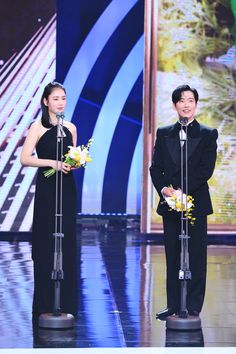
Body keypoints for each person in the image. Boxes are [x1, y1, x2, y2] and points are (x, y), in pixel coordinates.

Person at [150, 84, 218, 320]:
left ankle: (193, 306)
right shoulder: (164, 132)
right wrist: (164, 190)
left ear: (196, 105)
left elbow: (205, 170)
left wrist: (182, 191)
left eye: (190, 100)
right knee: (173, 254)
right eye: (182, 100)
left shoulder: (208, 134)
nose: (186, 104)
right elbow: (155, 168)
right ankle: (173, 304)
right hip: (170, 204)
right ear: (175, 105)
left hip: (196, 202)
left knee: (196, 255)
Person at [20, 82, 78, 318]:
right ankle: (45, 303)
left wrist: (74, 162)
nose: (60, 102)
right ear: (46, 101)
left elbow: (72, 158)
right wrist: (51, 163)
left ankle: (65, 303)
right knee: (46, 242)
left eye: (63, 98)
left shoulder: (71, 128)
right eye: (55, 98)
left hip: (66, 187)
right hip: (47, 186)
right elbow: (25, 158)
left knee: (66, 242)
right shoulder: (38, 127)